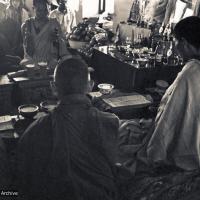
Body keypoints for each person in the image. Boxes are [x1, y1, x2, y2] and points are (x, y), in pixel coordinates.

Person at [119, 16, 200, 200]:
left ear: (185, 43)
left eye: (176, 42)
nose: (176, 48)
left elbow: (169, 117)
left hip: (187, 153)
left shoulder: (191, 71)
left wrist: (154, 148)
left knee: (125, 138)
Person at [17, 57, 119, 200]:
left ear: (53, 87)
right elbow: (113, 169)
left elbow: (25, 180)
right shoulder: (109, 123)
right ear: (90, 85)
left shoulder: (34, 131)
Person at [21, 0, 70, 68]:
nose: (42, 13)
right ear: (33, 9)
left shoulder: (54, 23)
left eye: (45, 10)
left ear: (48, 9)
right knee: (26, 65)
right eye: (39, 10)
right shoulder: (27, 24)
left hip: (49, 61)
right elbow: (26, 48)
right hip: (32, 61)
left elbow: (62, 45)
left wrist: (57, 40)